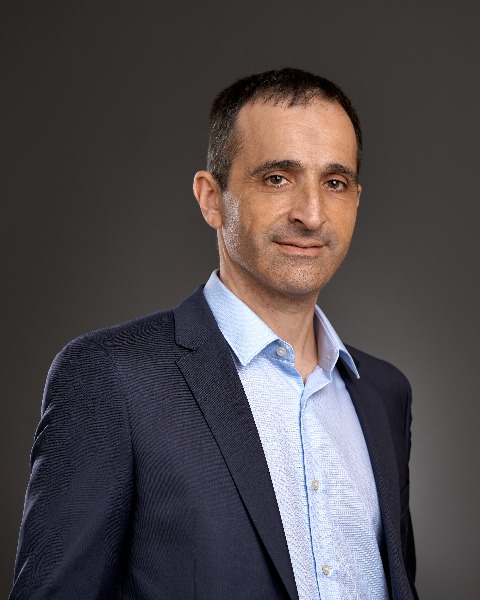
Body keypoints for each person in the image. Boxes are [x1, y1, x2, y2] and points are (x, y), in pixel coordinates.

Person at [10, 68, 419, 600]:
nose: (312, 213)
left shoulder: (386, 394)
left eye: (335, 183)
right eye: (278, 178)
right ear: (210, 198)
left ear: (356, 200)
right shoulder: (111, 379)